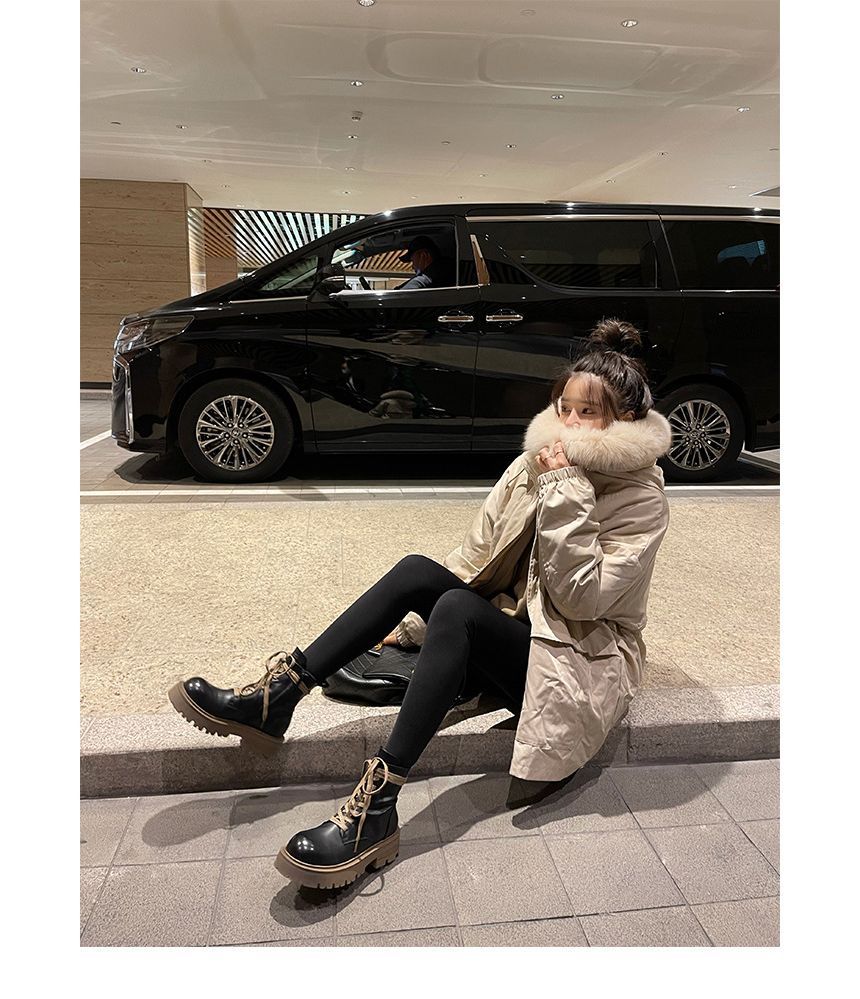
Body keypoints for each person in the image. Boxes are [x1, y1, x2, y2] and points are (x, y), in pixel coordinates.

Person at [167, 318, 672, 890]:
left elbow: (581, 600)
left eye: (589, 413)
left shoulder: (640, 500)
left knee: (457, 611)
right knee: (418, 572)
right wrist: (411, 628)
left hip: (578, 659)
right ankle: (279, 696)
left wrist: (568, 492)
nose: (571, 424)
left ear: (625, 421)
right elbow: (474, 562)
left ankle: (377, 807)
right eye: (565, 408)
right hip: (518, 636)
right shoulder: (536, 465)